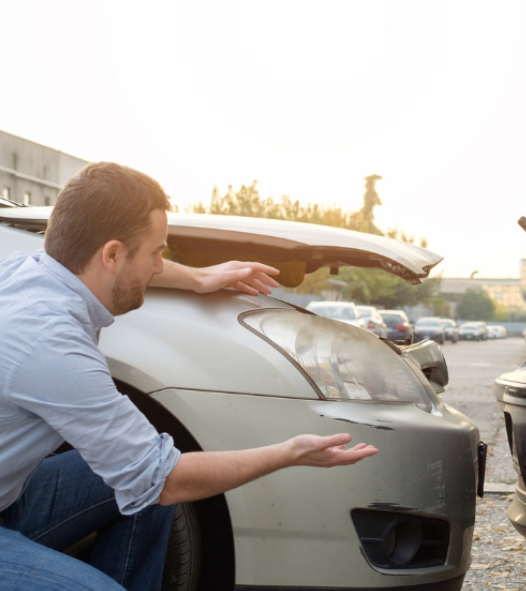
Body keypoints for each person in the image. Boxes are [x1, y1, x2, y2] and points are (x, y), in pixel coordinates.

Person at [0, 162, 380, 591]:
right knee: (158, 480)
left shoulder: (30, 272)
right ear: (111, 255)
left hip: (12, 502)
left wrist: (200, 278)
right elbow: (167, 481)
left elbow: (148, 477)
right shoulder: (49, 341)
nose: (160, 267)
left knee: (141, 474)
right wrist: (290, 452)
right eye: (156, 253)